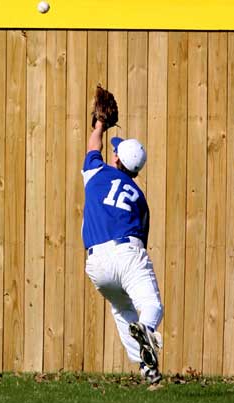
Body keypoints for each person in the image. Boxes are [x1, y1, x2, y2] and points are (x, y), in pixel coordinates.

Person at [81, 119, 164, 384]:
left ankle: (149, 371)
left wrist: (99, 126)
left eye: (115, 151)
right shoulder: (140, 199)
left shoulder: (97, 172)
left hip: (96, 264)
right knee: (151, 306)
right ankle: (147, 331)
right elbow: (142, 237)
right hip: (126, 251)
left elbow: (93, 147)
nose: (112, 152)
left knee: (121, 310)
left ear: (116, 160)